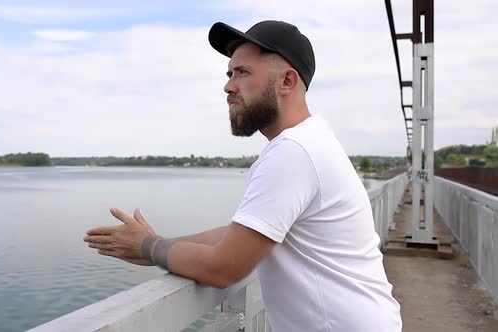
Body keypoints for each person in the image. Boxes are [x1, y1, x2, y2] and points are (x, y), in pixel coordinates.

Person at [84, 20, 402, 332]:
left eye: (243, 73)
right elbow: (237, 235)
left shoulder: (294, 151)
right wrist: (158, 245)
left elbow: (224, 267)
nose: (228, 86)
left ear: (287, 82)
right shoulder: (310, 141)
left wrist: (148, 247)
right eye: (229, 73)